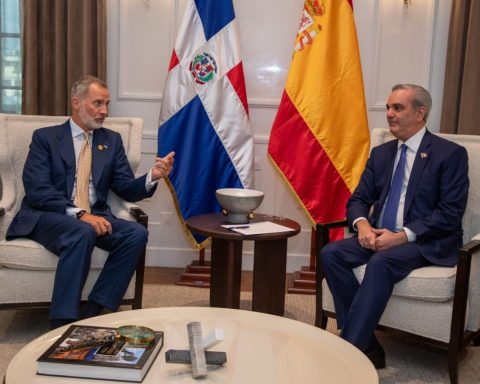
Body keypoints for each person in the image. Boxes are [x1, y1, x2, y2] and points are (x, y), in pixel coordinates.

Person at [318, 84, 469, 368]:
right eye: (388, 107)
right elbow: (359, 199)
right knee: (331, 254)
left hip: (425, 241)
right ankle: (369, 345)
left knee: (381, 263)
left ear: (420, 113)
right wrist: (362, 225)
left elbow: (449, 213)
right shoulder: (382, 153)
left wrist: (402, 236)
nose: (389, 114)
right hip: (376, 234)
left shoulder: (449, 154)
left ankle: (345, 356)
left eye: (397, 108)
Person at [6, 75, 175, 329]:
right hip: (48, 215)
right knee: (82, 230)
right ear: (76, 103)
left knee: (136, 234)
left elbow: (125, 187)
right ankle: (62, 321)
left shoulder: (111, 140)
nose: (104, 111)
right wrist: (80, 214)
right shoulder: (46, 138)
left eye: (106, 104)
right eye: (97, 103)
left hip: (94, 216)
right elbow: (38, 190)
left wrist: (153, 176)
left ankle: (95, 310)